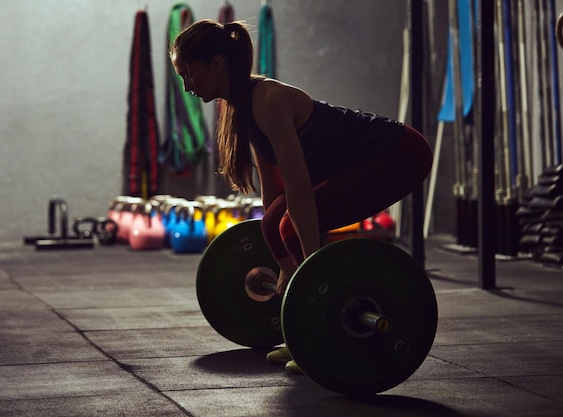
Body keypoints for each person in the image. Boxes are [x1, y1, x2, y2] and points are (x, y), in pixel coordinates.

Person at [170, 19, 433, 374]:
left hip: (399, 153)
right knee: (271, 225)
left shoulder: (267, 100)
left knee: (292, 228)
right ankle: (300, 331)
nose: (186, 86)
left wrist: (312, 274)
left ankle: (320, 329)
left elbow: (298, 190)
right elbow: (274, 192)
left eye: (189, 73)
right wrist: (284, 264)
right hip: (370, 159)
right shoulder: (244, 107)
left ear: (216, 63)